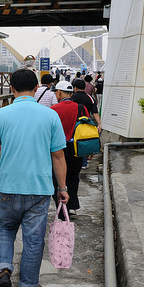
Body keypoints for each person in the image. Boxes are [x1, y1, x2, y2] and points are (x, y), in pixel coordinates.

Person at [0, 68, 68, 287]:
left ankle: (3, 270)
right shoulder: (50, 116)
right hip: (39, 190)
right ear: (37, 88)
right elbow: (58, 156)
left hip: (9, 186)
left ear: (12, 88)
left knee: (3, 228)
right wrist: (63, 188)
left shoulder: (1, 114)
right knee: (33, 239)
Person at [51, 81, 90, 219]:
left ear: (60, 92)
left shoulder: (53, 109)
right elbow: (87, 130)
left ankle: (62, 209)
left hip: (58, 149)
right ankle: (72, 205)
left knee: (58, 178)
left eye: (56, 92)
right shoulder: (81, 108)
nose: (56, 94)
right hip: (77, 148)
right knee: (73, 176)